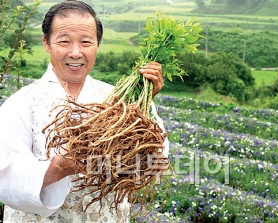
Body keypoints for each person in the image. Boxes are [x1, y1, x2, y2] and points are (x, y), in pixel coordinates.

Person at [0, 1, 168, 222]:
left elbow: (156, 162)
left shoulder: (118, 99)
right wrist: (58, 168)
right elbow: (5, 177)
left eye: (86, 42)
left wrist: (142, 110)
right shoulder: (22, 103)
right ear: (47, 43)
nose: (76, 52)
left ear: (97, 44)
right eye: (64, 41)